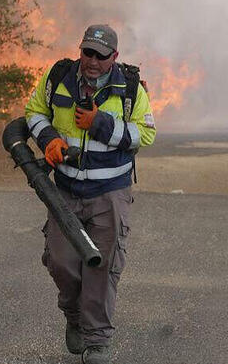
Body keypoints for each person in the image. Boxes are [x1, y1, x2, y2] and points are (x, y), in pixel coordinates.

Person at [24, 24, 156, 364]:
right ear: (80, 50)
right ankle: (75, 318)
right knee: (60, 261)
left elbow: (146, 134)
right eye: (87, 52)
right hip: (64, 191)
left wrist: (102, 124)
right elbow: (35, 111)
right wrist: (49, 138)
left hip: (110, 192)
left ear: (114, 56)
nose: (92, 61)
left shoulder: (129, 88)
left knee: (102, 265)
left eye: (100, 55)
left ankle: (97, 341)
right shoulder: (58, 77)